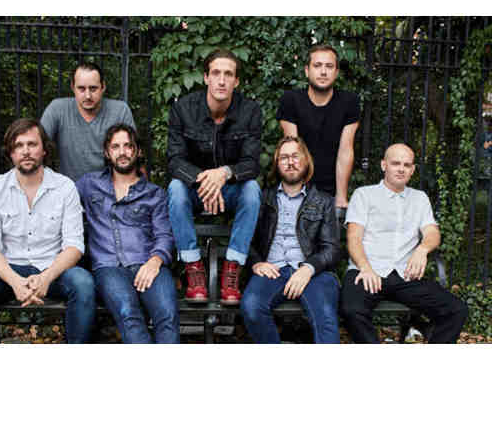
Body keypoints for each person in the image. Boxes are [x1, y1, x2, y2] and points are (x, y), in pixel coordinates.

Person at [0, 118, 95, 343]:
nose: (26, 151)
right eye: (19, 145)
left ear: (44, 150)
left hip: (53, 269)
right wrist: (15, 281)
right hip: (8, 270)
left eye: (32, 144)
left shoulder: (65, 187)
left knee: (83, 283)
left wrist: (46, 278)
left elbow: (74, 246)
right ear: (11, 153)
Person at [340, 143, 468, 343]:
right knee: (351, 310)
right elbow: (354, 238)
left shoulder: (420, 198)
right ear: (384, 165)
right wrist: (364, 267)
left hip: (405, 275)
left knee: (456, 310)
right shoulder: (364, 195)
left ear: (413, 170)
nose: (401, 169)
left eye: (407, 165)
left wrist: (422, 250)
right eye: (395, 163)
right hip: (367, 272)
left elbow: (432, 232)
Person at [167, 48, 262, 305]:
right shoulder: (183, 109)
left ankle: (233, 269)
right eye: (216, 73)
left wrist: (224, 173)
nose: (222, 80)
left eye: (228, 74)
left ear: (236, 81)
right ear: (206, 77)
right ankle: (193, 268)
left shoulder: (250, 111)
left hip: (230, 190)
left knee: (252, 190)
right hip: (194, 190)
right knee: (175, 188)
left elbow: (252, 163)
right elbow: (174, 160)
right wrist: (206, 180)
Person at [76, 124, 178, 343]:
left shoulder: (154, 194)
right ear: (107, 152)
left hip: (148, 263)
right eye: (115, 147)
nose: (122, 152)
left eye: (128, 146)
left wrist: (155, 262)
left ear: (137, 151)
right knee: (127, 313)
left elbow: (164, 235)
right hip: (108, 267)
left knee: (167, 315)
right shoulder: (88, 184)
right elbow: (58, 199)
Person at [241, 136, 342, 343]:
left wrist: (308, 268)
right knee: (251, 307)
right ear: (277, 164)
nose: (290, 162)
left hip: (313, 273)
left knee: (325, 315)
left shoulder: (323, 201)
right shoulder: (263, 199)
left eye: (295, 156)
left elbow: (331, 248)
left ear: (306, 160)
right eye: (284, 158)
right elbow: (245, 239)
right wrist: (257, 262)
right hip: (272, 271)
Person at [277, 44, 360, 209]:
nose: (323, 72)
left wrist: (341, 197)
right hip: (299, 186)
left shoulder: (349, 102)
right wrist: (298, 195)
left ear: (336, 72)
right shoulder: (290, 100)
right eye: (317, 65)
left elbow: (345, 150)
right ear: (307, 70)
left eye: (329, 66)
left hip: (332, 189)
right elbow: (293, 151)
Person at [41, 62, 135, 181]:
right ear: (72, 87)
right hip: (67, 188)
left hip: (109, 188)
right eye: (81, 89)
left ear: (103, 87)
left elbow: (133, 153)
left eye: (93, 88)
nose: (88, 96)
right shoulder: (57, 109)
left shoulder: (120, 111)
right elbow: (38, 146)